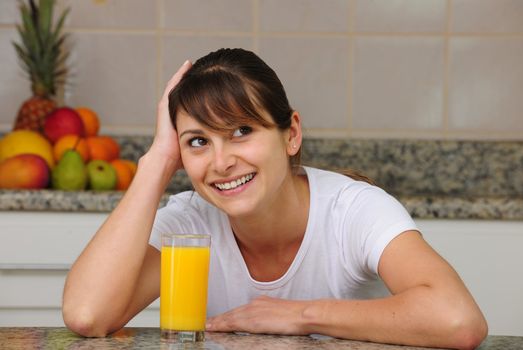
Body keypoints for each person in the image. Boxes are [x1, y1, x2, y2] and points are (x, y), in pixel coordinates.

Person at [62, 48, 487, 349]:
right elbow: (87, 315)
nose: (221, 161)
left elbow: (458, 320)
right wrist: (156, 162)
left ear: (291, 134)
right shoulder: (189, 224)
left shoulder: (354, 210)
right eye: (197, 142)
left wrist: (302, 316)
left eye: (242, 131)